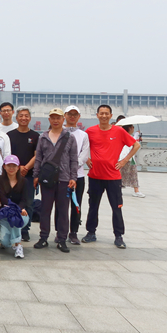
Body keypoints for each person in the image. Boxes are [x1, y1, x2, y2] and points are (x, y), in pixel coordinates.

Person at [82, 105, 140, 249]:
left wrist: (124, 161)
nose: (104, 116)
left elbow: (136, 145)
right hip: (95, 176)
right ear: (97, 115)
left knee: (116, 207)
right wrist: (86, 159)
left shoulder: (118, 131)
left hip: (113, 177)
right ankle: (91, 232)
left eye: (106, 113)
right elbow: (81, 146)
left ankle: (118, 236)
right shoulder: (90, 131)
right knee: (93, 206)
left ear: (111, 115)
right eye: (101, 113)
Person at [32, 109, 78, 253]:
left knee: (63, 211)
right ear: (49, 120)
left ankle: (62, 239)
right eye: (53, 118)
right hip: (47, 179)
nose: (55, 120)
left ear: (63, 119)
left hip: (64, 179)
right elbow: (38, 157)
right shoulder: (43, 137)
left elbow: (74, 159)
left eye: (58, 118)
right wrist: (36, 175)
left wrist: (73, 177)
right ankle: (43, 237)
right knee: (45, 209)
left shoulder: (70, 137)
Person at [6, 106, 39, 242]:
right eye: (21, 116)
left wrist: (25, 167)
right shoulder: (10, 135)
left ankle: (25, 229)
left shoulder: (35, 136)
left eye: (26, 116)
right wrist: (17, 167)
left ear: (30, 118)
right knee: (11, 200)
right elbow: (7, 154)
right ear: (17, 117)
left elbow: (37, 155)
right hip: (11, 174)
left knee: (28, 202)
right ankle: (9, 227)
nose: (24, 118)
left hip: (28, 175)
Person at [64, 105, 90, 245]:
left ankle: (73, 232)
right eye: (70, 114)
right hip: (62, 175)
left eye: (75, 114)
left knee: (76, 204)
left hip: (78, 176)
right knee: (62, 205)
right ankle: (60, 232)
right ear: (65, 116)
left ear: (79, 117)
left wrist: (72, 167)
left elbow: (84, 155)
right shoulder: (59, 132)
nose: (72, 117)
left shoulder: (83, 135)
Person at [0, 156, 29, 259]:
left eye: (14, 166)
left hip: (20, 213)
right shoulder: (0, 179)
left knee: (15, 218)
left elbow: (25, 200)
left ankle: (18, 245)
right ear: (4, 167)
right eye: (9, 165)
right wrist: (14, 208)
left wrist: (18, 209)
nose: (11, 168)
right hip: (5, 213)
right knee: (5, 243)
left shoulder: (24, 181)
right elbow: (2, 198)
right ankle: (4, 236)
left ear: (18, 167)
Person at [119, 125, 144, 197]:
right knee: (124, 174)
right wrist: (136, 134)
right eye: (133, 128)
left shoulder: (126, 136)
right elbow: (132, 142)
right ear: (130, 128)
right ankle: (135, 191)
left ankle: (136, 190)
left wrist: (137, 137)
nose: (133, 129)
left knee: (132, 174)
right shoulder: (125, 136)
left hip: (129, 158)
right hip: (124, 157)